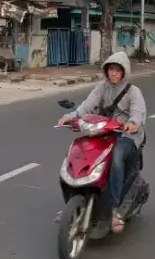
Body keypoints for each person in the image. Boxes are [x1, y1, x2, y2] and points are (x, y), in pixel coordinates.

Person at [59, 51, 147, 233]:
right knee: (78, 151)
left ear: (124, 72)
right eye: (111, 69)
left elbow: (137, 113)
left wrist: (132, 123)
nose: (113, 73)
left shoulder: (133, 92)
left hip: (126, 135)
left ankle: (114, 209)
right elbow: (86, 106)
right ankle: (71, 204)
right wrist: (70, 117)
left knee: (116, 156)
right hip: (104, 132)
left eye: (117, 70)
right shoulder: (102, 87)